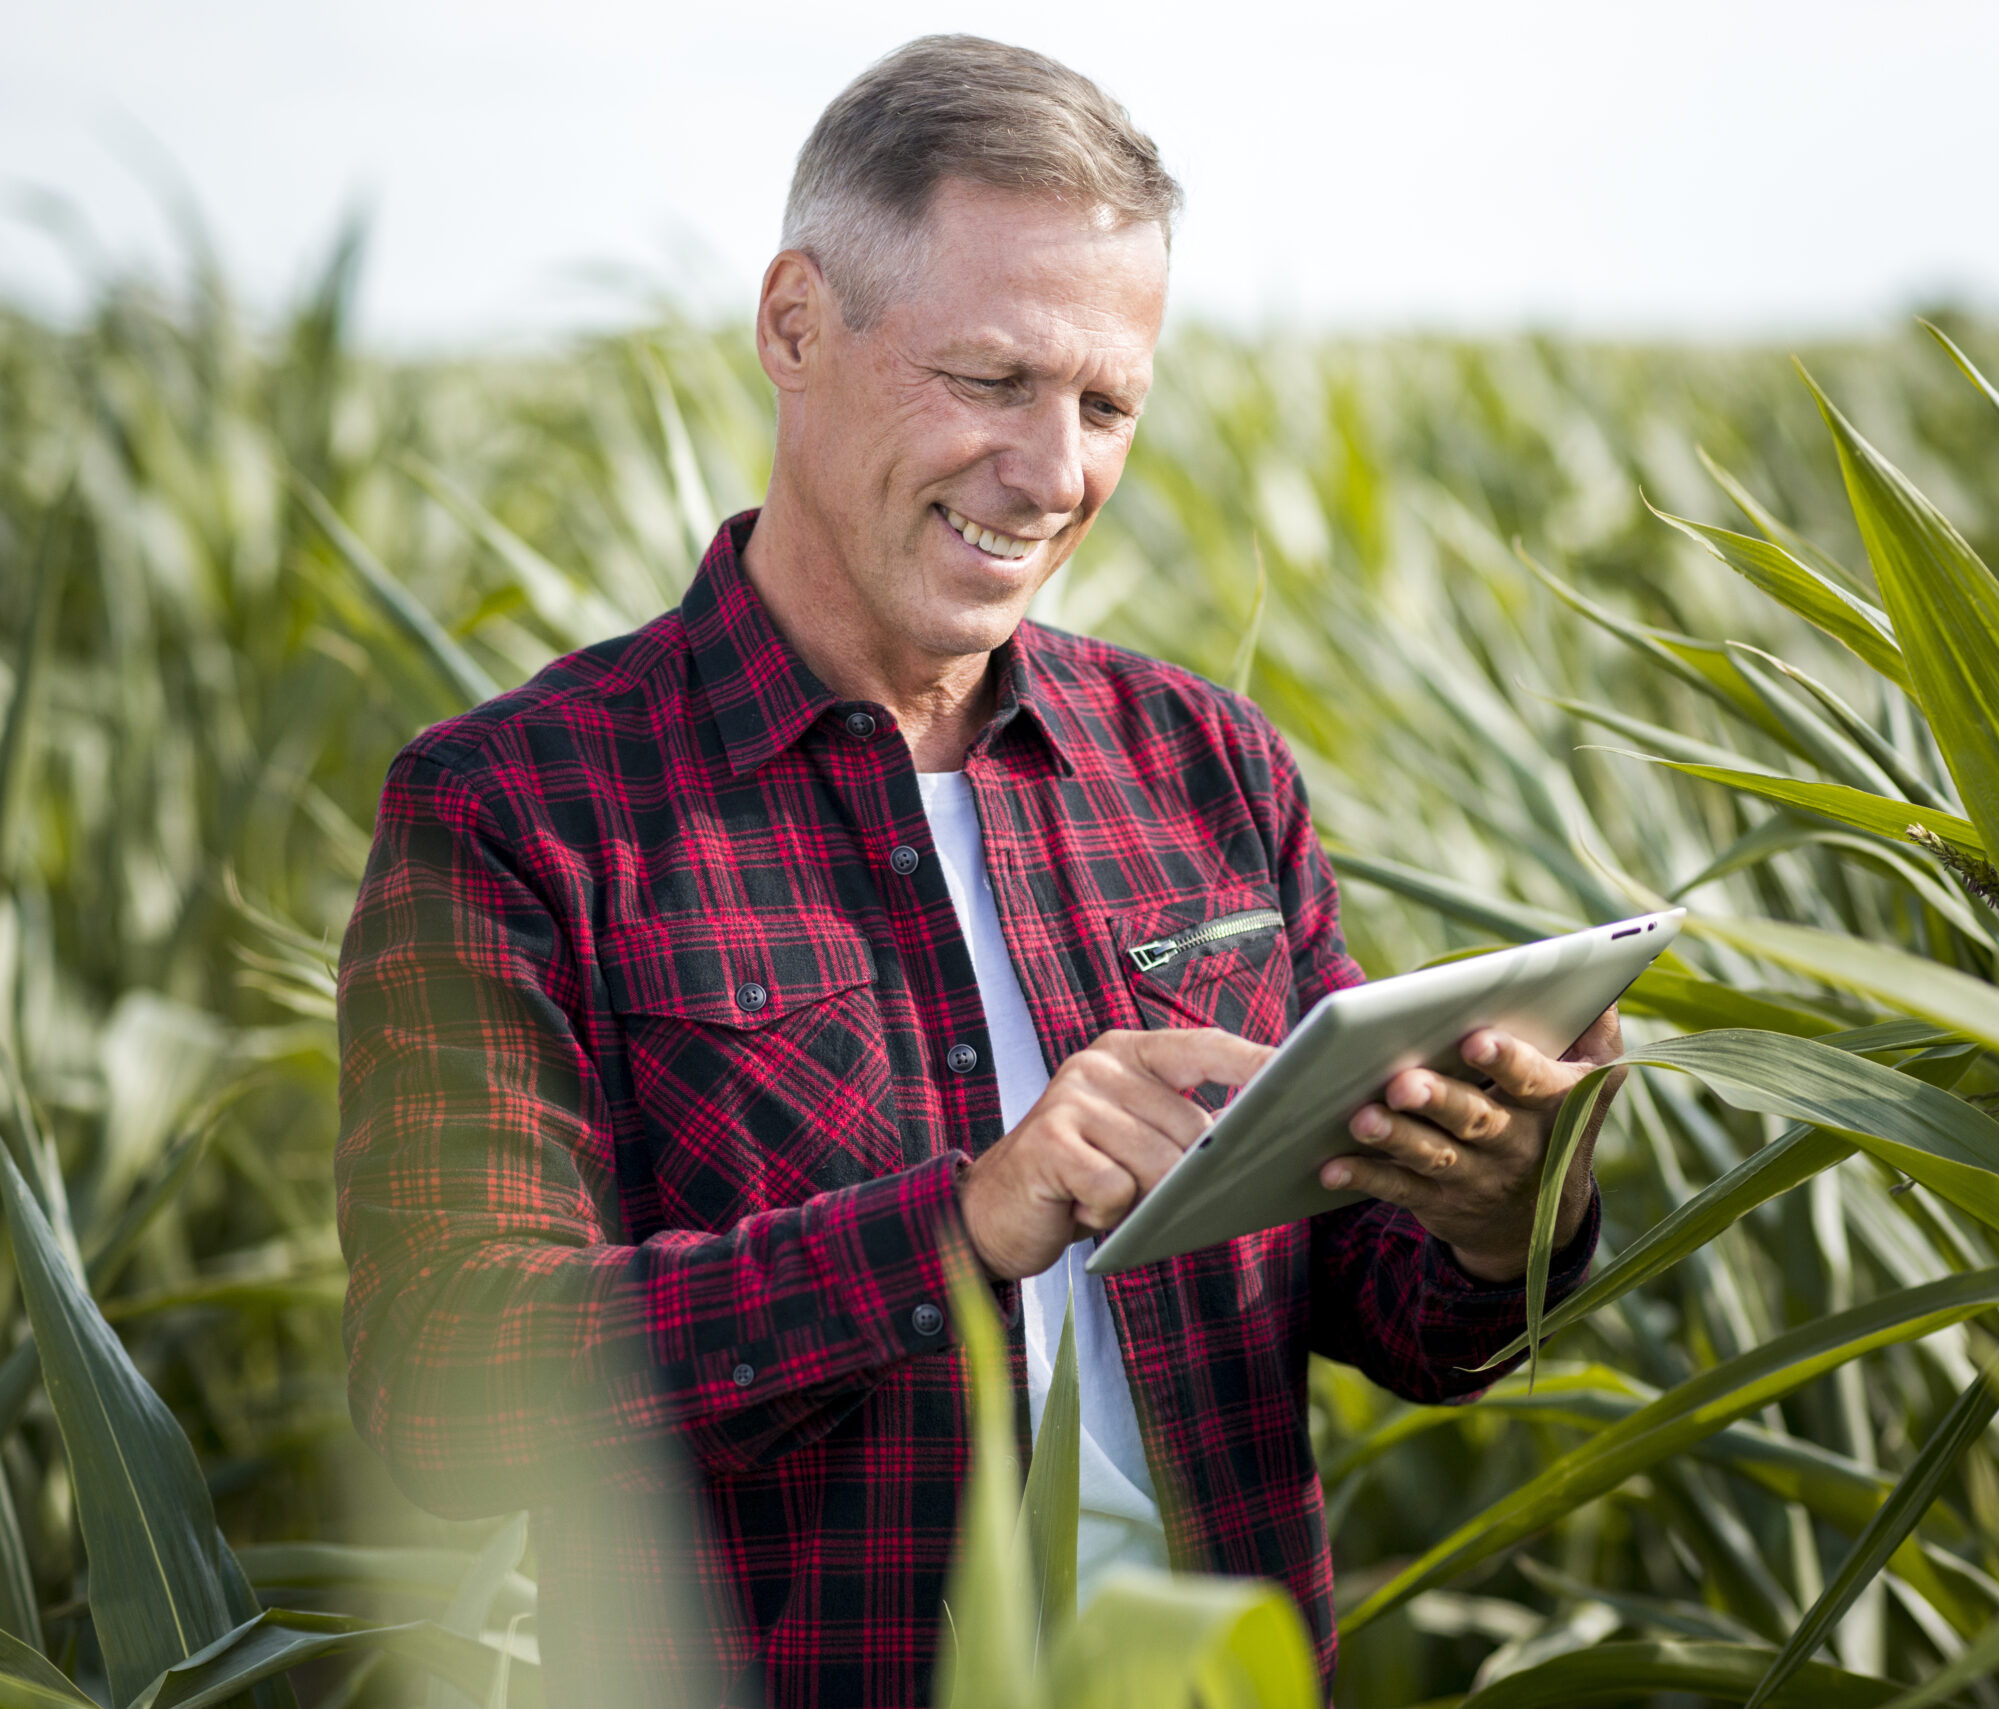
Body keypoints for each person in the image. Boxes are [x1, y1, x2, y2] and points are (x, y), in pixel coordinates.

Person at [335, 34, 1617, 1708]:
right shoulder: (521, 811)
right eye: (994, 381)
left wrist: (1509, 1209)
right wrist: (964, 1222)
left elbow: (1390, 1312)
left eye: (1106, 404)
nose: (1055, 471)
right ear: (796, 324)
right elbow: (448, 1382)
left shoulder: (1207, 768)